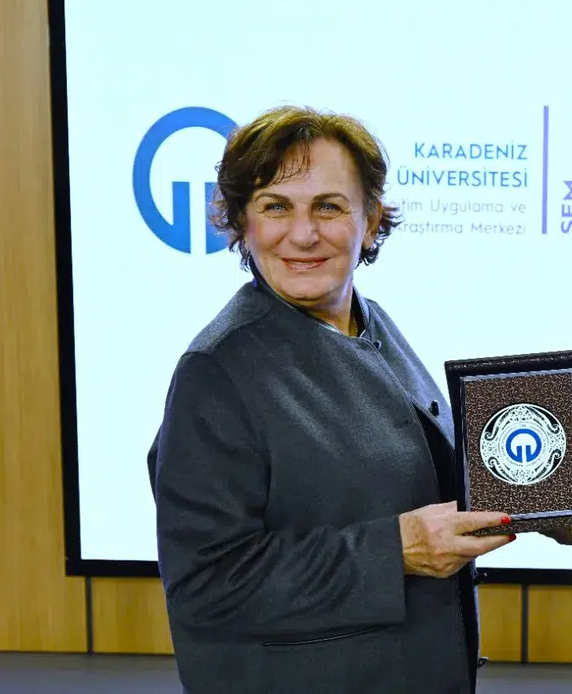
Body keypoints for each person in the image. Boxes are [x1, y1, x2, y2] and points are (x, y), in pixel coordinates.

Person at [147, 106, 513, 694]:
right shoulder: (216, 371)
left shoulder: (371, 322)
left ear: (370, 222)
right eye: (275, 207)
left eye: (328, 206)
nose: (303, 234)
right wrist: (396, 551)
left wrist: (540, 491)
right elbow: (206, 584)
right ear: (241, 223)